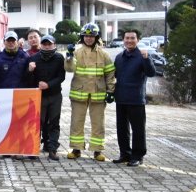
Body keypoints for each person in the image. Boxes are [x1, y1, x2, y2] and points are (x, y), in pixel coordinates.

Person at [65, 23, 115, 161]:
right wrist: (68, 56)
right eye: (86, 36)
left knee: (99, 123)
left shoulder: (104, 55)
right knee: (77, 122)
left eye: (91, 36)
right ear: (82, 37)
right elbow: (69, 69)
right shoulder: (76, 53)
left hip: (98, 94)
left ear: (96, 37)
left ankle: (97, 150)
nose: (88, 39)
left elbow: (110, 74)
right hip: (79, 94)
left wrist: (111, 91)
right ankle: (76, 149)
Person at [112, 30, 156, 167]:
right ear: (123, 40)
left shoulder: (142, 56)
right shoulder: (119, 57)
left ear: (137, 40)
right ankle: (125, 153)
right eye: (127, 38)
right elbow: (114, 75)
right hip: (121, 98)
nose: (129, 40)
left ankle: (137, 156)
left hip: (136, 99)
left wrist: (146, 59)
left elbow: (151, 72)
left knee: (138, 129)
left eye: (132, 38)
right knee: (122, 128)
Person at [0, 31, 30, 159]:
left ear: (17, 42)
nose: (11, 43)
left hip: (20, 95)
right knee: (5, 123)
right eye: (8, 41)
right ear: (4, 42)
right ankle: (6, 148)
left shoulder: (25, 56)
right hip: (4, 96)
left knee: (20, 123)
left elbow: (29, 76)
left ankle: (20, 149)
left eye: (13, 41)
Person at [24, 35, 66, 160]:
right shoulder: (34, 58)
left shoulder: (59, 58)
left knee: (54, 123)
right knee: (38, 123)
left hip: (55, 95)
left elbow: (61, 77)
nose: (47, 46)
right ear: (41, 45)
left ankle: (52, 149)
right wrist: (30, 70)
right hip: (39, 96)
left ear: (54, 45)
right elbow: (26, 79)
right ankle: (34, 149)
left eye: (49, 44)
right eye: (44, 44)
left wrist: (48, 85)